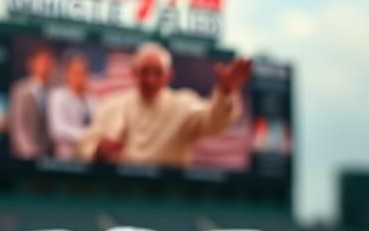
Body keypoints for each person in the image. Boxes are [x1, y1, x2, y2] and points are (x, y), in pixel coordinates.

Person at [76, 42, 252, 166]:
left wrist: (226, 92)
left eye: (157, 73)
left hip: (167, 195)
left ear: (169, 76)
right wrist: (97, 151)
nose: (150, 80)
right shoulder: (112, 106)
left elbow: (214, 122)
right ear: (134, 73)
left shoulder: (183, 105)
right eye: (144, 72)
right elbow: (83, 146)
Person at [46, 51, 97, 160]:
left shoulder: (92, 99)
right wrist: (88, 135)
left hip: (89, 157)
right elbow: (57, 130)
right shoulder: (58, 96)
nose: (80, 77)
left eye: (84, 73)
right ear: (67, 74)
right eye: (76, 73)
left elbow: (98, 126)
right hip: (67, 158)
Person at [9, 45, 54, 159]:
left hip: (48, 156)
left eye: (48, 62)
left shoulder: (55, 92)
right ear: (32, 64)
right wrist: (28, 152)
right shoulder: (20, 89)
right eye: (42, 61)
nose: (45, 66)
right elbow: (18, 124)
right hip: (24, 155)